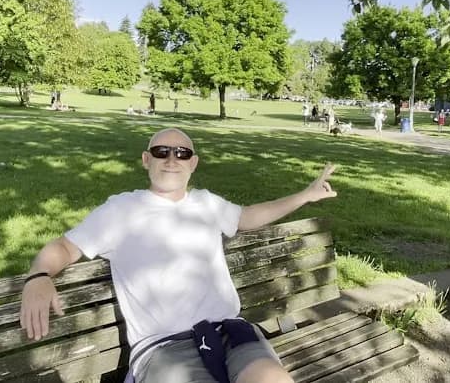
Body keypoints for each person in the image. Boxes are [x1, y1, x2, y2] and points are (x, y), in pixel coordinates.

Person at [19, 128, 337, 383]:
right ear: (146, 160)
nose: (172, 159)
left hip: (229, 333)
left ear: (192, 163)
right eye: (162, 152)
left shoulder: (206, 203)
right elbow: (65, 247)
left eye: (182, 153)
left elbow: (247, 216)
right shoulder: (120, 211)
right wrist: (39, 276)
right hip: (165, 347)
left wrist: (305, 196)